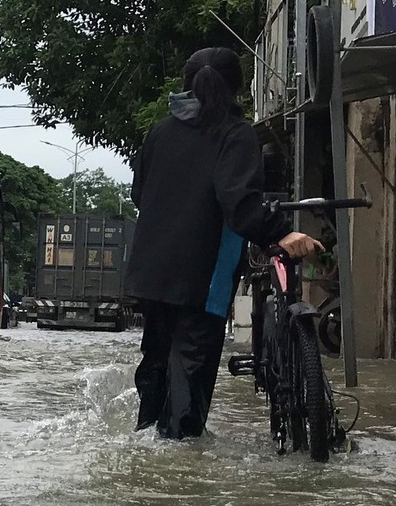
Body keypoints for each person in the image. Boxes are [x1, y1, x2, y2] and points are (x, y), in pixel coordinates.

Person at [124, 47, 323, 439]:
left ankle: (145, 449)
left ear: (187, 85)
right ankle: (178, 470)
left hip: (150, 274)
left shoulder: (159, 132)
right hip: (202, 279)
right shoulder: (235, 134)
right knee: (190, 375)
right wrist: (282, 232)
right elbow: (239, 204)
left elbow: (138, 194)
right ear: (238, 87)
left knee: (157, 367)